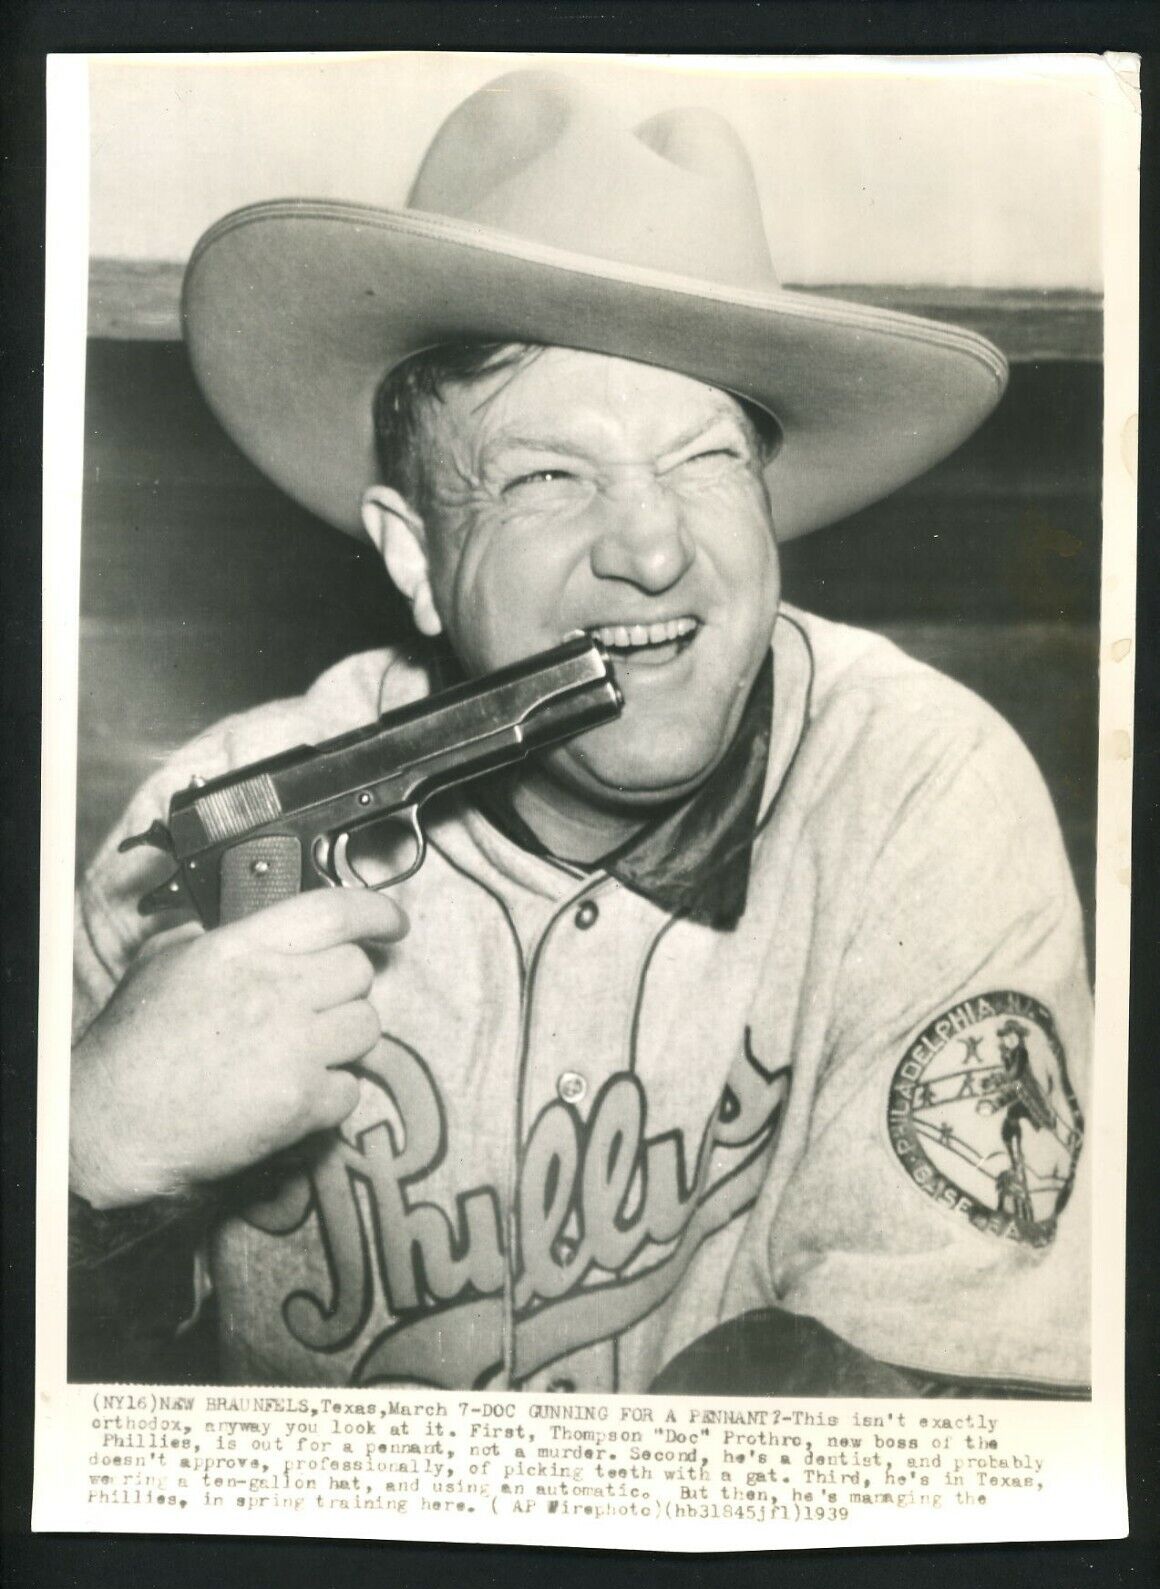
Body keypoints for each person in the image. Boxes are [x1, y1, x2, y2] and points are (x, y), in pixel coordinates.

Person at [68, 70, 1090, 1396]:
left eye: (705, 460)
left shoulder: (919, 796)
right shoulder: (218, 818)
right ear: (418, 558)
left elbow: (934, 1421)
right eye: (550, 476)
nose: (655, 549)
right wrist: (83, 1149)